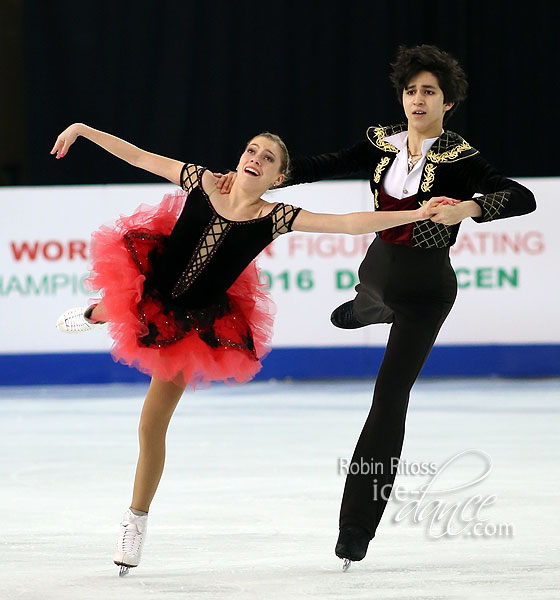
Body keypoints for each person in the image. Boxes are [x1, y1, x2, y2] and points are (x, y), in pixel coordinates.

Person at [50, 122, 445, 575]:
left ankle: (135, 520)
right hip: (151, 283)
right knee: (122, 304)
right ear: (240, 159)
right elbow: (140, 156)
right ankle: (94, 313)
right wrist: (82, 129)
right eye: (252, 150)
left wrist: (414, 214)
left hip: (193, 325)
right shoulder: (200, 180)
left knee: (150, 425)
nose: (256, 158)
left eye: (268, 158)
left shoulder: (275, 215)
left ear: (278, 177)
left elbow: (349, 224)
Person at [215, 44, 536, 568]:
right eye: (411, 91)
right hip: (379, 268)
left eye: (429, 91)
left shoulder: (461, 157)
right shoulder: (381, 144)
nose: (417, 99)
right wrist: (266, 175)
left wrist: (468, 208)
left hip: (428, 293)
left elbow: (522, 196)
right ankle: (365, 308)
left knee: (389, 400)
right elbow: (327, 163)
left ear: (447, 102)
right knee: (370, 294)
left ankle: (356, 527)